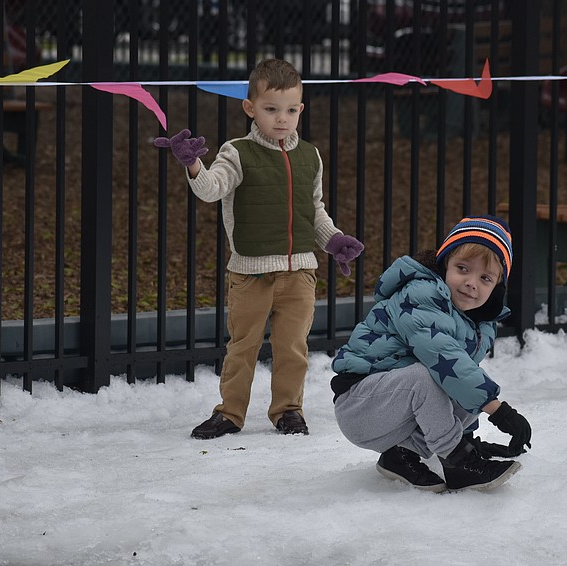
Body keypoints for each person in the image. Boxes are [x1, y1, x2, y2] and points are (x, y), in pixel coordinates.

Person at [154, 58, 363, 438]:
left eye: (289, 110)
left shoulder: (310, 156)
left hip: (299, 273)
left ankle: (288, 411)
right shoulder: (237, 152)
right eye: (270, 109)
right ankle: (230, 413)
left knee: (293, 348)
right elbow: (212, 190)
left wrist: (332, 240)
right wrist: (195, 166)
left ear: (300, 109)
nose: (281, 118)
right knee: (242, 347)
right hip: (250, 273)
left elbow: (313, 208)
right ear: (250, 108)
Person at [330, 216, 531, 492]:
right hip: (360, 405)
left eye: (485, 278)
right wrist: (497, 410)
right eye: (463, 268)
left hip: (396, 410)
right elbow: (443, 357)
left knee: (463, 383)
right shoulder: (420, 295)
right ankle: (459, 462)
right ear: (444, 264)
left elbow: (459, 378)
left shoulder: (476, 322)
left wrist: (468, 434)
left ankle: (400, 456)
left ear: (497, 287)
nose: (472, 283)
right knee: (427, 376)